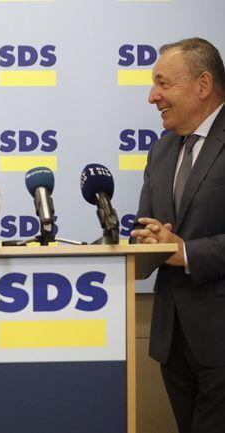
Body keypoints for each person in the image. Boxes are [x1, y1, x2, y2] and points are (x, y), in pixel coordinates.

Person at [131, 38, 225, 433]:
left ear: (203, 85)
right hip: (173, 340)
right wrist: (147, 242)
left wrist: (186, 252)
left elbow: (182, 248)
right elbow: (143, 230)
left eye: (163, 83)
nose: (153, 96)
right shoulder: (161, 150)